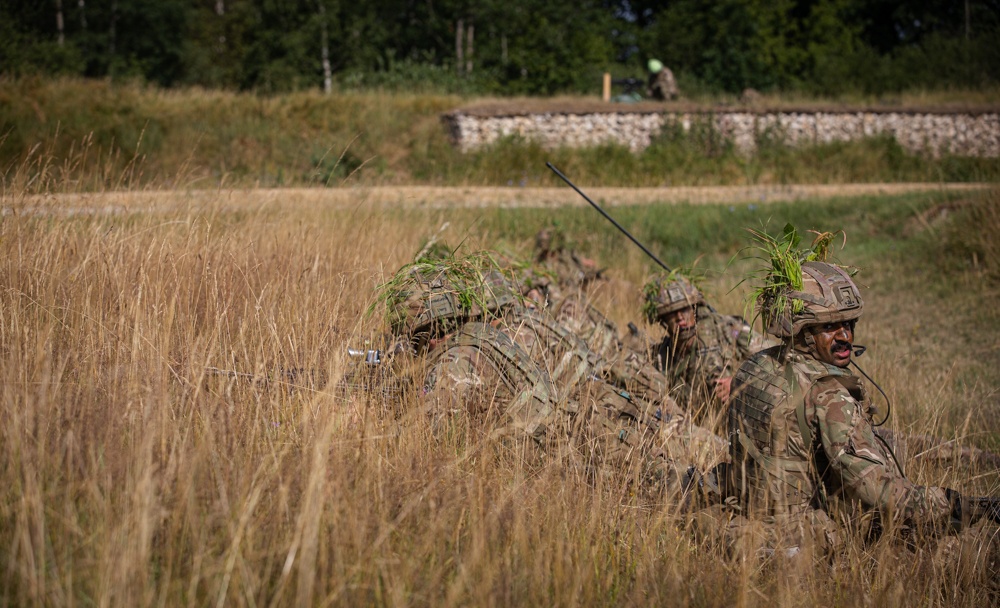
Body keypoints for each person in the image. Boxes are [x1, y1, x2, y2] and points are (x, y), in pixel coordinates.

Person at [726, 247, 999, 548]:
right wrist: (959, 505)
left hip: (756, 511)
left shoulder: (754, 366)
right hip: (805, 534)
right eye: (829, 327)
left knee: (896, 442)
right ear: (801, 331)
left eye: (849, 324)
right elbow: (873, 489)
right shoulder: (828, 393)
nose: (845, 337)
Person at [644, 272, 771, 422]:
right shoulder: (660, 356)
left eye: (685, 309)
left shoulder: (728, 331)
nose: (679, 317)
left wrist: (739, 381)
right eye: (672, 313)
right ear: (662, 319)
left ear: (695, 309)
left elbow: (777, 359)